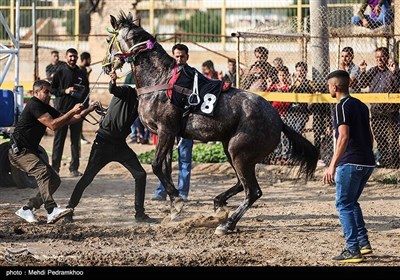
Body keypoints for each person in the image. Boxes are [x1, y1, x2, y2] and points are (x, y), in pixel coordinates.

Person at [64, 69, 154, 223]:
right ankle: (69, 210)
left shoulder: (142, 103)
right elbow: (113, 89)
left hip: (120, 145)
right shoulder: (127, 91)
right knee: (87, 178)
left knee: (140, 175)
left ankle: (139, 214)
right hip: (103, 143)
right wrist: (112, 80)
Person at [9, 80, 95, 224]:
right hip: (19, 152)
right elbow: (53, 125)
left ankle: (27, 208)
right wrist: (72, 110)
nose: (49, 95)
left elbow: (67, 120)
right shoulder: (34, 104)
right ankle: (51, 210)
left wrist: (88, 109)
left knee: (54, 180)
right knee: (43, 172)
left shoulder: (45, 107)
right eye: (46, 92)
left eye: (50, 92)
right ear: (36, 93)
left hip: (30, 151)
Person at [323, 70, 375, 263]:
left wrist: (332, 165)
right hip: (366, 161)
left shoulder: (341, 106)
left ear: (334, 87)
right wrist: (366, 156)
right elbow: (369, 136)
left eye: (329, 86)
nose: (329, 88)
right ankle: (363, 243)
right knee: (352, 203)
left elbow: (343, 136)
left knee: (343, 204)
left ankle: (353, 249)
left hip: (350, 162)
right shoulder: (361, 105)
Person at [152, 43, 194, 202]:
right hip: (167, 126)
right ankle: (161, 190)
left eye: (182, 56)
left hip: (185, 125)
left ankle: (182, 193)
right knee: (164, 157)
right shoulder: (166, 74)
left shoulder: (192, 74)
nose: (179, 59)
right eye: (176, 56)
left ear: (187, 57)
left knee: (185, 159)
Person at [358, 47, 400, 168]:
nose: (379, 59)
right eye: (377, 57)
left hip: (391, 110)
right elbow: (363, 84)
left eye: (381, 57)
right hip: (377, 110)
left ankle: (395, 162)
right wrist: (362, 71)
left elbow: (397, 85)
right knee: (379, 137)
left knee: (393, 138)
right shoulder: (372, 71)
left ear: (387, 57)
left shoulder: (394, 70)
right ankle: (384, 160)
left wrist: (394, 73)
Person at [51, 48, 89, 177]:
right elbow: (52, 90)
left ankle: (74, 168)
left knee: (75, 141)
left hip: (76, 114)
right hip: (61, 112)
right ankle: (55, 169)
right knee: (58, 142)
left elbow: (86, 93)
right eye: (71, 56)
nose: (73, 58)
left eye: (75, 56)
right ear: (66, 57)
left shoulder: (81, 73)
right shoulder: (60, 72)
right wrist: (64, 91)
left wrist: (84, 110)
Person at [79, 51, 92, 145]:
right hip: (81, 98)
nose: (90, 61)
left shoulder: (83, 69)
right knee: (79, 117)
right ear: (85, 60)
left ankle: (80, 136)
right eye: (89, 59)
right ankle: (79, 137)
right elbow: (83, 83)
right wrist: (88, 73)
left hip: (85, 97)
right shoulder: (80, 70)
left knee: (81, 118)